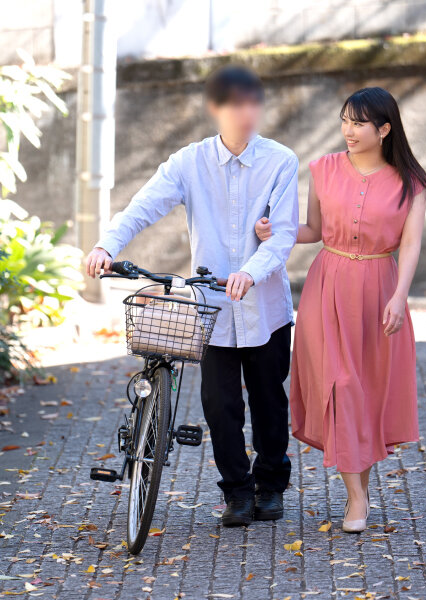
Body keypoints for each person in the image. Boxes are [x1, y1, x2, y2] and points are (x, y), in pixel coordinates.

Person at [86, 65, 299, 527]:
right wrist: (107, 246)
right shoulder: (189, 162)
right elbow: (143, 206)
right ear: (215, 109)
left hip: (265, 307)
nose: (247, 113)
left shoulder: (281, 161)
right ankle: (236, 491)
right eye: (236, 104)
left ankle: (269, 485)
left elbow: (283, 235)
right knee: (220, 407)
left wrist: (250, 271)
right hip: (212, 308)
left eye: (254, 103)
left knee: (269, 403)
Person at [255, 87, 426, 533]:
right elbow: (313, 229)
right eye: (345, 121)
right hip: (326, 287)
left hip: (379, 289)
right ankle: (356, 497)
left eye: (359, 123)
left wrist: (400, 296)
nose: (348, 131)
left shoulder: (412, 183)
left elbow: (411, 245)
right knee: (342, 386)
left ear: (384, 129)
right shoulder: (324, 168)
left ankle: (359, 494)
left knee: (364, 394)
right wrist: (276, 231)